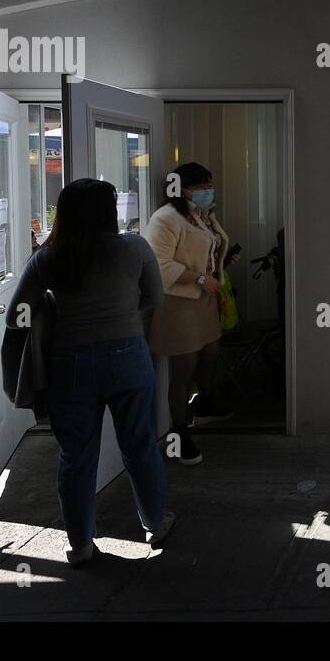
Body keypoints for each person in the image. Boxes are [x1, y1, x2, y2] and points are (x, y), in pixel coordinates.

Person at [7, 178, 173, 567]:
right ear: (109, 210)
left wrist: (51, 307)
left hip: (71, 363)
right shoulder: (134, 247)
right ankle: (155, 524)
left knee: (76, 456)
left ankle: (81, 545)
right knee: (140, 446)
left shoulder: (49, 257)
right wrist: (124, 312)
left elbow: (18, 316)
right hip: (129, 357)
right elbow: (155, 297)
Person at [144, 162, 231, 465]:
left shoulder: (199, 215)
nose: (209, 191)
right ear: (182, 189)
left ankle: (205, 406)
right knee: (183, 369)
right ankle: (178, 434)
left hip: (204, 299)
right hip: (178, 302)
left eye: (210, 185)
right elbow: (158, 262)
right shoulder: (165, 218)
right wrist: (196, 278)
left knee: (210, 353)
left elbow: (212, 245)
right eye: (202, 187)